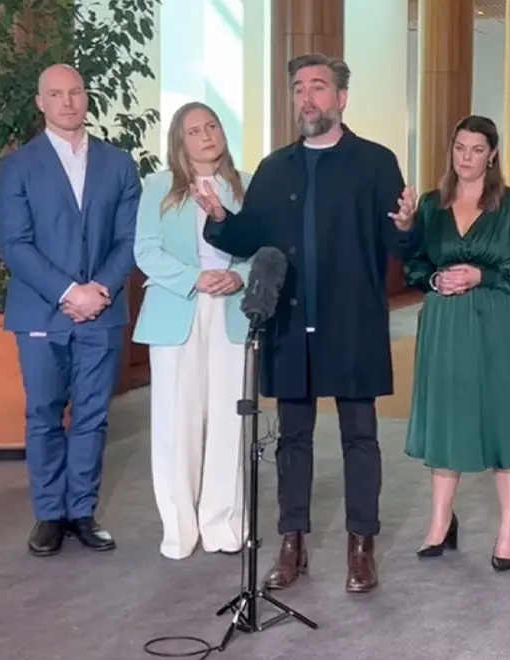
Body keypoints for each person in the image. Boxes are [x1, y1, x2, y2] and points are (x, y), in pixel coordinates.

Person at [189, 52, 421, 594]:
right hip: (289, 324)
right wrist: (221, 219)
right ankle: (291, 542)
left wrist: (409, 226)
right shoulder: (275, 168)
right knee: (292, 438)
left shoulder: (375, 162)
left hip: (352, 322)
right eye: (299, 88)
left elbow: (401, 246)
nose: (308, 98)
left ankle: (361, 545)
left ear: (341, 98)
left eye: (319, 87)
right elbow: (249, 237)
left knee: (360, 436)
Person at [0, 63, 140, 557]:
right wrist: (68, 293)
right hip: (41, 312)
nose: (68, 101)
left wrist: (97, 288)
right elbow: (15, 245)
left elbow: (129, 239)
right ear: (41, 103)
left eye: (75, 92)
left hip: (103, 309)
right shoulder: (18, 166)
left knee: (94, 417)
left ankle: (82, 511)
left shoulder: (119, 165)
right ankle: (49, 515)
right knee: (43, 415)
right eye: (56, 94)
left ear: (85, 97)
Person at [403, 115, 510, 569]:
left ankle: (508, 527)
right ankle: (440, 521)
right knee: (448, 416)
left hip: (499, 319)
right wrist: (435, 277)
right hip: (444, 323)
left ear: (492, 154)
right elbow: (414, 264)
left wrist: (485, 273)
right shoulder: (430, 205)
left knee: (503, 417)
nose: (466, 157)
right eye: (460, 148)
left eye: (476, 149)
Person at [132, 102, 252, 560]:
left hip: (231, 308)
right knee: (176, 424)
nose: (206, 136)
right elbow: (146, 250)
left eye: (212, 126)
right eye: (194, 131)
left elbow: (264, 247)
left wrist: (238, 276)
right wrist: (192, 278)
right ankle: (179, 529)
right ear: (179, 143)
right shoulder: (159, 187)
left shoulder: (245, 186)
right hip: (177, 308)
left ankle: (223, 523)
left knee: (229, 420)